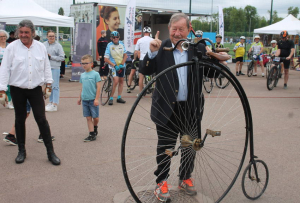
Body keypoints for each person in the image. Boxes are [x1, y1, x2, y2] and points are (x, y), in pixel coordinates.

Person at [140, 13, 207, 202]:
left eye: (181, 29)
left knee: (189, 146)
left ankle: (185, 178)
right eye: (174, 29)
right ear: (169, 29)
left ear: (189, 29)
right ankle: (161, 182)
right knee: (166, 148)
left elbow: (210, 72)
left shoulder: (197, 49)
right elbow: (144, 70)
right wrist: (152, 53)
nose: (177, 33)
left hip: (190, 108)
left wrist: (216, 58)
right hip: (166, 108)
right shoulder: (161, 48)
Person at [0, 19, 60, 165]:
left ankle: (51, 153)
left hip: (35, 89)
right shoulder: (11, 48)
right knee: (19, 120)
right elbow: (4, 69)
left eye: (26, 32)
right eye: (21, 32)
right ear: (17, 33)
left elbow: (46, 66)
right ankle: (21, 151)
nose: (23, 35)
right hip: (17, 89)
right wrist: (2, 89)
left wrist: (49, 84)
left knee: (41, 119)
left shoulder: (40, 47)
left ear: (32, 33)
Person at [77, 55, 101, 142]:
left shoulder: (95, 74)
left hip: (93, 99)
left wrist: (96, 99)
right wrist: (80, 97)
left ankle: (95, 127)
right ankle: (91, 134)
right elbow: (82, 87)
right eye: (82, 63)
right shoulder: (82, 75)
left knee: (96, 118)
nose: (84, 65)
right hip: (85, 100)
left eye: (86, 63)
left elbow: (98, 87)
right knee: (88, 117)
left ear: (91, 63)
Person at [127, 26, 153, 96]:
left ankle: (141, 93)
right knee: (153, 75)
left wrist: (134, 59)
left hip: (142, 59)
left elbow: (136, 52)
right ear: (150, 32)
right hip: (150, 59)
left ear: (144, 32)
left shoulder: (140, 40)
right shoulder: (152, 40)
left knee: (141, 76)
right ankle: (153, 91)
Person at [43, 30, 65, 112]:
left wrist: (51, 57)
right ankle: (51, 102)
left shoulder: (58, 46)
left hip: (55, 67)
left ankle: (55, 104)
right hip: (46, 68)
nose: (51, 37)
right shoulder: (44, 45)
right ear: (47, 37)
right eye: (50, 36)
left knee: (55, 86)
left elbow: (62, 57)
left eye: (53, 36)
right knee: (49, 85)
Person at [104, 31, 127, 105]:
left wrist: (122, 64)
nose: (116, 38)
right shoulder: (109, 45)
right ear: (111, 38)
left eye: (117, 37)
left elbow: (125, 55)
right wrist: (114, 65)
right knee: (116, 81)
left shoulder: (122, 44)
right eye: (114, 37)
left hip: (121, 66)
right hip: (113, 66)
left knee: (121, 81)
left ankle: (119, 97)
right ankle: (111, 97)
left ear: (119, 37)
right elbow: (106, 59)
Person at [0, 30, 14, 109]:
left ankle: (9, 102)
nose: (3, 38)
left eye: (4, 36)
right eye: (1, 36)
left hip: (8, 69)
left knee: (8, 86)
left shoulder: (10, 46)